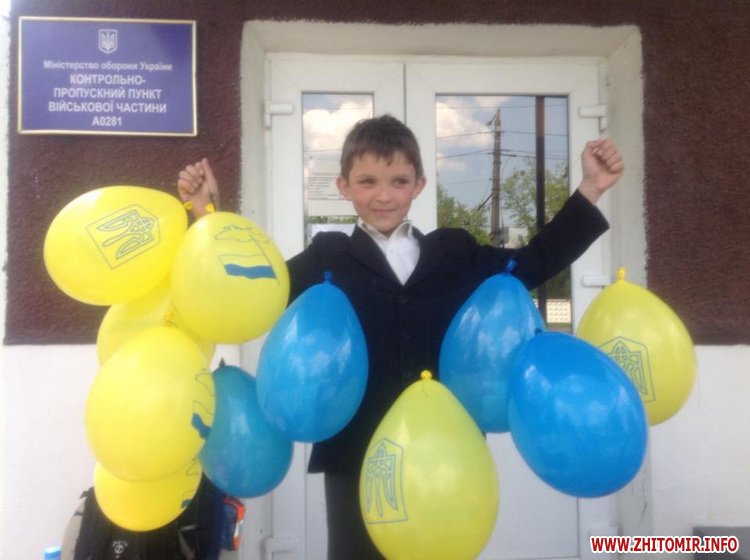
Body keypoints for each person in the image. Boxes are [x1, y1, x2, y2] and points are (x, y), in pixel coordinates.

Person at [177, 114, 624, 559]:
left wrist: (591, 189)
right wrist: (205, 216)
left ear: (419, 185)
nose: (384, 195)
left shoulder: (454, 252)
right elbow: (255, 291)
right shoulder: (327, 256)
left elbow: (531, 263)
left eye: (399, 181)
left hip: (442, 451)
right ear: (344, 186)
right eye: (367, 181)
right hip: (355, 452)